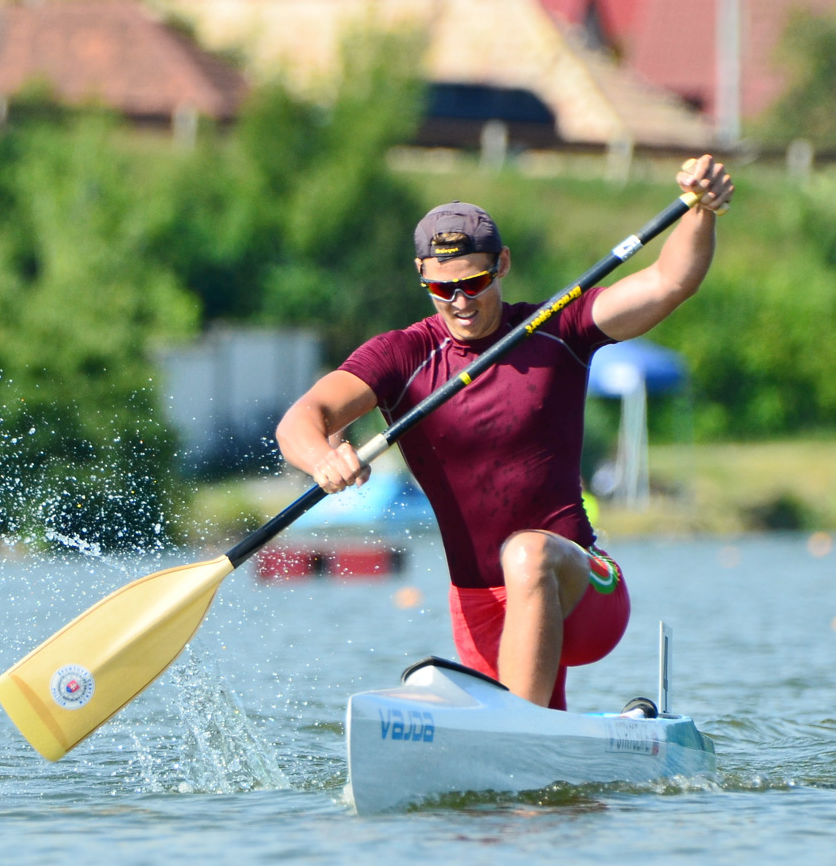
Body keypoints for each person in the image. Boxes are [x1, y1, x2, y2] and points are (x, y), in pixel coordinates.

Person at [275, 156, 733, 709]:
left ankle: (522, 726)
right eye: (442, 289)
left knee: (528, 555)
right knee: (526, 785)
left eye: (475, 281)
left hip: (581, 587)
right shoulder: (403, 356)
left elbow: (670, 281)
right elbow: (303, 418)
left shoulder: (557, 329)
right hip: (477, 603)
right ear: (421, 278)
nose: (460, 302)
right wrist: (323, 457)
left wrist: (702, 211)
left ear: (503, 265)